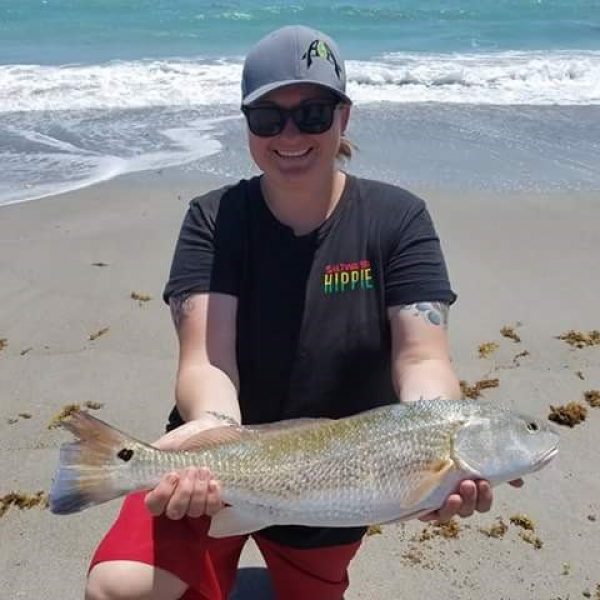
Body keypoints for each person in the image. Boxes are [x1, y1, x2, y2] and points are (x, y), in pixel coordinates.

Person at [85, 25, 522, 600]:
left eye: (312, 113)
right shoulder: (214, 219)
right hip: (216, 466)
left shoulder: (399, 218)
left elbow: (421, 357)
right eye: (268, 118)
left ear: (344, 117)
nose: (290, 134)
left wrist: (433, 448)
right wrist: (214, 436)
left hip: (347, 476)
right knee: (118, 589)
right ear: (247, 124)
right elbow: (208, 361)